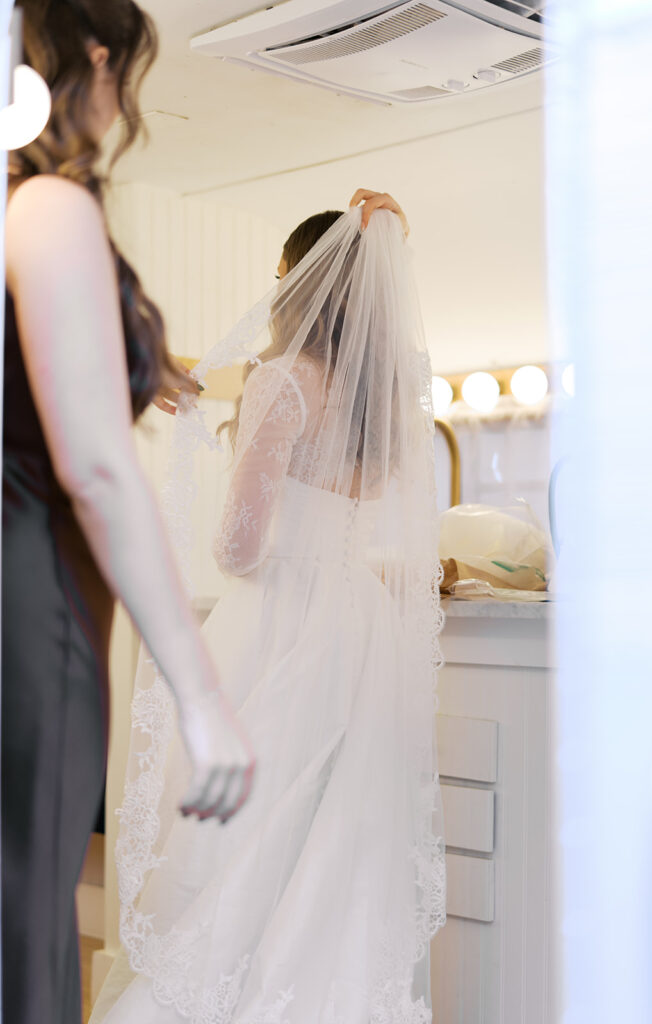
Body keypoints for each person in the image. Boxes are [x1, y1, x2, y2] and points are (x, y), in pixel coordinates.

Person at [90, 200, 446, 1024]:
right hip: (352, 626)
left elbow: (240, 547)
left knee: (239, 840)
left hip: (280, 618)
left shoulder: (283, 382)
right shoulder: (381, 402)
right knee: (329, 846)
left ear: (294, 284)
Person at [2, 3, 255, 1022]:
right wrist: (200, 693)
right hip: (33, 604)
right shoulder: (48, 205)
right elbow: (98, 468)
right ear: (98, 57)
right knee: (25, 913)